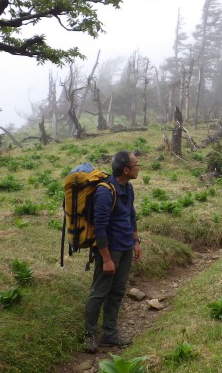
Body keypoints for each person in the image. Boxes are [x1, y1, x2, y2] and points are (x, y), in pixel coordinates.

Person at [84, 150, 142, 353]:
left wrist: (136, 241)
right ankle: (89, 336)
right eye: (136, 165)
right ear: (126, 170)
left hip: (125, 248)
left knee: (117, 291)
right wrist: (106, 259)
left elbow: (131, 215)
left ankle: (109, 334)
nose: (138, 168)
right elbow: (99, 228)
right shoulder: (105, 192)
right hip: (109, 250)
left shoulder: (128, 187)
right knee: (99, 292)